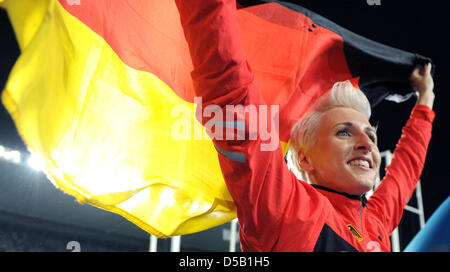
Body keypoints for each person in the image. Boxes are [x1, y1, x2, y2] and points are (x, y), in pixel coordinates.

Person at [175, 0, 435, 251]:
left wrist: (425, 100)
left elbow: (405, 171)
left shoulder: (375, 222)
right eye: (343, 132)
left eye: (372, 136)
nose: (367, 144)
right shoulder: (285, 207)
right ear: (304, 158)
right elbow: (232, 97)